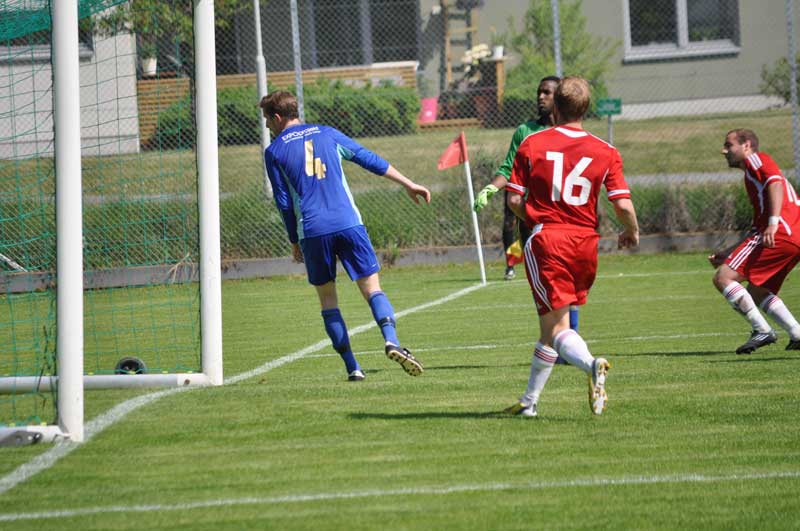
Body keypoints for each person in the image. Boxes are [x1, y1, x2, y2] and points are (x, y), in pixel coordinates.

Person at [260, 91, 431, 381]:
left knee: (328, 301)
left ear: (277, 118)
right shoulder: (328, 133)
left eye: (267, 120)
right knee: (373, 289)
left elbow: (284, 202)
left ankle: (353, 367)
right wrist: (408, 183)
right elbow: (367, 158)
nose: (267, 126)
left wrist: (293, 240)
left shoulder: (274, 151)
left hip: (313, 230)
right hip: (348, 223)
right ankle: (391, 340)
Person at [502, 76, 639, 417]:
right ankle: (529, 402)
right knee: (551, 329)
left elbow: (514, 199)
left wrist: (535, 218)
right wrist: (631, 231)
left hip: (548, 241)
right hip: (585, 244)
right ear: (586, 109)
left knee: (556, 328)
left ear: (557, 106)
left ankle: (592, 364)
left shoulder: (532, 143)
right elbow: (622, 204)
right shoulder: (606, 150)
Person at [708, 129, 800, 354]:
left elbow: (775, 182)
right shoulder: (751, 178)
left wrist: (773, 223)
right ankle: (797, 333)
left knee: (723, 278)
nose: (724, 151)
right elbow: (756, 228)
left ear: (746, 145)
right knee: (758, 291)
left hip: (781, 232)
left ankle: (762, 330)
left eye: (729, 145)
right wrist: (728, 252)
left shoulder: (756, 160)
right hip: (793, 236)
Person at [474, 76, 559, 281]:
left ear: (560, 97)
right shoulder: (525, 131)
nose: (541, 97)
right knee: (511, 228)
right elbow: (509, 167)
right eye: (539, 92)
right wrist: (491, 188)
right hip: (525, 202)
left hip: (558, 207)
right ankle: (511, 263)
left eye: (547, 92)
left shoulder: (569, 131)